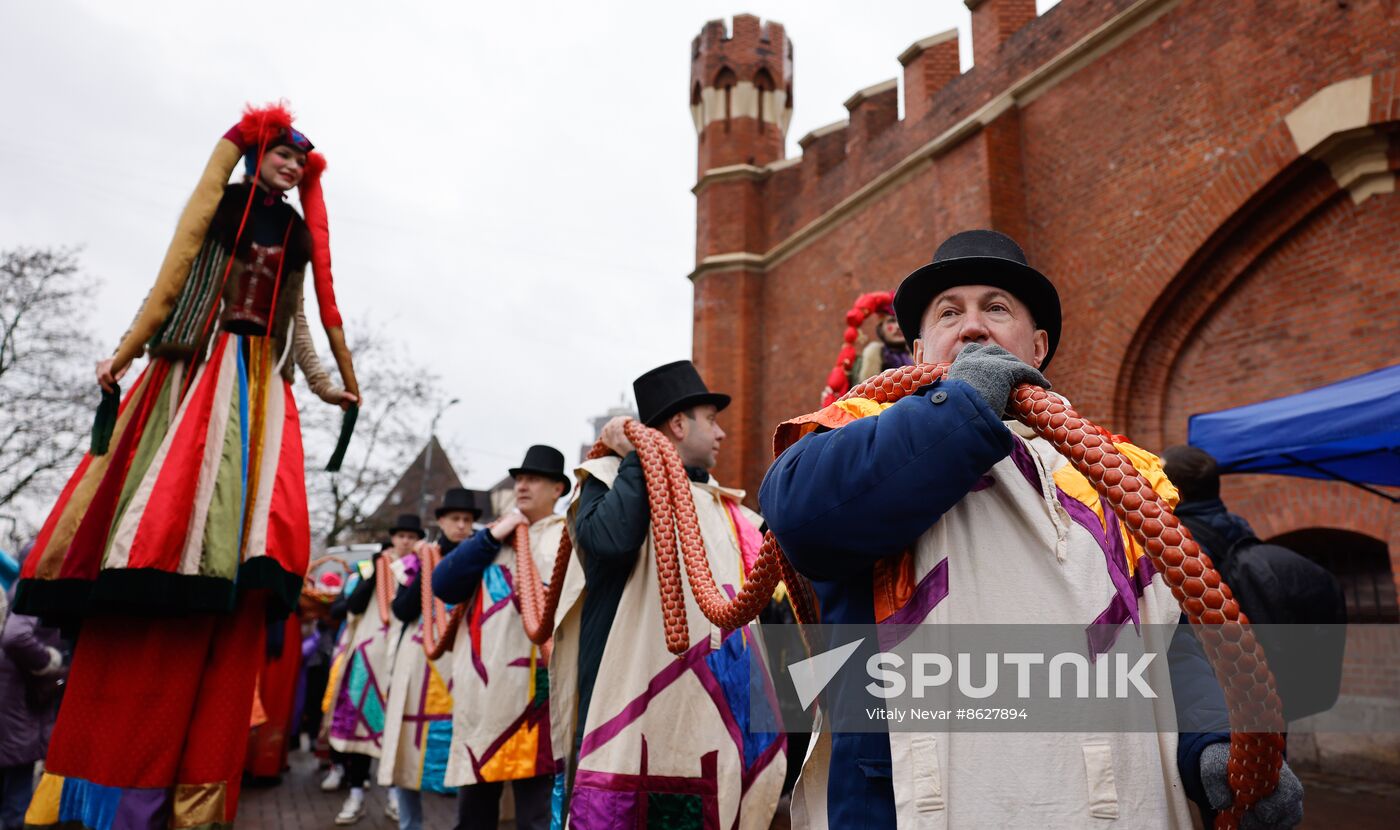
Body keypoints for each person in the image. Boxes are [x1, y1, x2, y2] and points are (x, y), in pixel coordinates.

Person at [760, 230, 1304, 829]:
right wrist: (963, 404)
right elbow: (802, 518)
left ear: (1037, 346)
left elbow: (1159, 634)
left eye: (996, 308)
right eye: (948, 313)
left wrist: (1211, 741)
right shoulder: (855, 435)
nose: (971, 327)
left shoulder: (1116, 473)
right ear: (918, 350)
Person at [13, 103, 358, 830]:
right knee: (173, 492)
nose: (292, 168)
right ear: (257, 154)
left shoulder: (292, 233)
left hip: (261, 381)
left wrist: (328, 386)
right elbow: (168, 283)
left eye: (302, 162)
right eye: (283, 155)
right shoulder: (224, 209)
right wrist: (124, 351)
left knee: (253, 509)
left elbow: (294, 322)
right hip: (200, 368)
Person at [551, 360, 786, 829]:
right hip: (630, 705)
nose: (721, 434)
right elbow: (611, 542)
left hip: (713, 712)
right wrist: (641, 455)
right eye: (711, 420)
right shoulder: (605, 477)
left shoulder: (726, 507)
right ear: (678, 424)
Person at [432, 449, 570, 830]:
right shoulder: (492, 540)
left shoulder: (567, 537)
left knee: (535, 817)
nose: (521, 485)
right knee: (474, 817)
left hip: (537, 703)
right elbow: (444, 584)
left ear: (558, 488)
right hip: (483, 702)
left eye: (534, 479)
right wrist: (492, 535)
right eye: (519, 478)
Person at [1163, 445, 1347, 722]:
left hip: (1217, 689)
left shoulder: (1180, 541)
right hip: (1263, 676)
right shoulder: (1237, 524)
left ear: (1176, 490)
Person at [376, 490, 481, 830]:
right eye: (455, 519)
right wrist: (427, 569)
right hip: (418, 665)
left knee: (464, 748)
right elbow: (402, 610)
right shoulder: (419, 560)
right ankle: (411, 824)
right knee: (409, 747)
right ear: (441, 522)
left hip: (465, 661)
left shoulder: (484, 556)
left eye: (467, 520)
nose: (462, 526)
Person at [328, 517, 426, 825]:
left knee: (394, 728)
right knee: (360, 726)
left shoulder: (421, 570)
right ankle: (355, 794)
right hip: (368, 659)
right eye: (400, 535)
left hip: (401, 661)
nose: (405, 541)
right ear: (393, 538)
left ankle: (394, 796)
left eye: (411, 536)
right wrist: (375, 571)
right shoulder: (372, 568)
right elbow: (351, 606)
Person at [1, 551, 66, 830]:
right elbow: (16, 637)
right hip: (17, 712)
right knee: (15, 803)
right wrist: (49, 662)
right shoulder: (35, 587)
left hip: (15, 710)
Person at [854, 312, 913, 383]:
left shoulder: (918, 356)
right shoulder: (868, 358)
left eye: (901, 321)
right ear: (881, 328)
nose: (898, 326)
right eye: (892, 321)